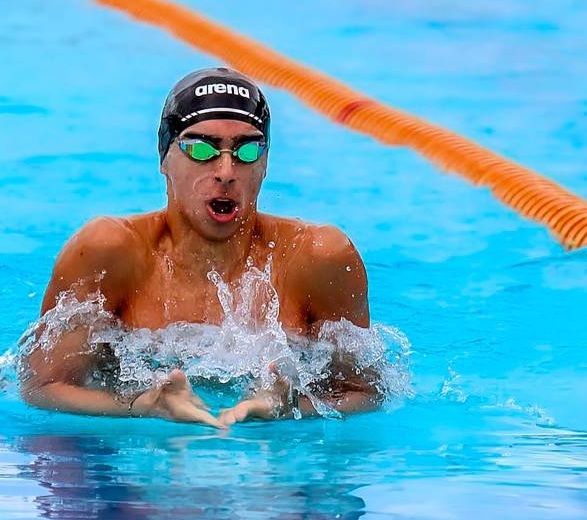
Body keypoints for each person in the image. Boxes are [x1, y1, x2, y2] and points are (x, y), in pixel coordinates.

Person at [20, 67, 379, 428]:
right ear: (165, 157)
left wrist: (294, 407)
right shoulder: (110, 252)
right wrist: (143, 405)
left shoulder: (318, 258)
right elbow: (41, 387)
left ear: (266, 163)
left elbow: (368, 392)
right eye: (201, 148)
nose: (226, 170)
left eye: (248, 150)